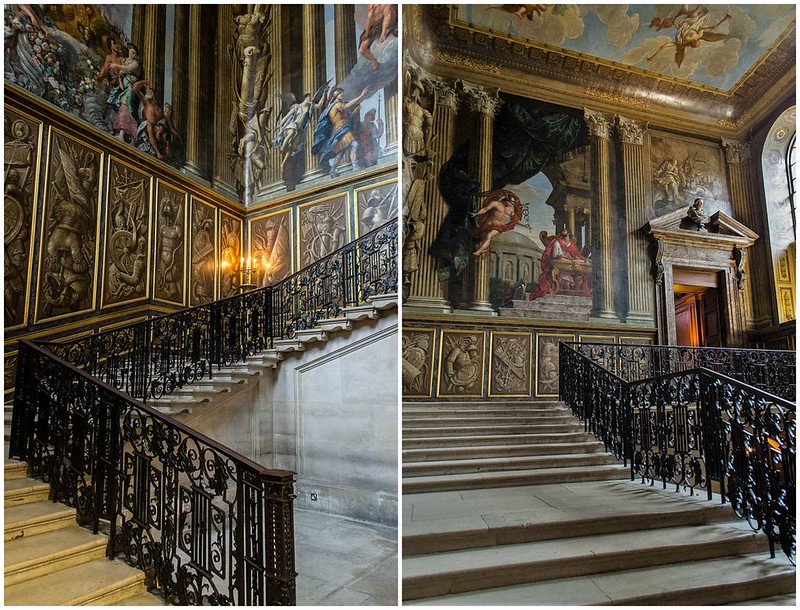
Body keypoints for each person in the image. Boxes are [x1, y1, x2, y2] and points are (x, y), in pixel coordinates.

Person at [311, 86, 370, 177]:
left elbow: (346, 118)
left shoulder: (337, 105)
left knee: (341, 151)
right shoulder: (336, 105)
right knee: (354, 144)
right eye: (340, 93)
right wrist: (361, 95)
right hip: (341, 128)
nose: (342, 94)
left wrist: (354, 112)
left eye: (342, 93)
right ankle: (355, 166)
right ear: (336, 95)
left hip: (342, 128)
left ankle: (333, 170)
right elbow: (348, 104)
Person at [528, 228, 588, 300]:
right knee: (566, 281)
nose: (563, 231)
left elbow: (576, 254)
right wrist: (566, 257)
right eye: (562, 231)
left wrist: (578, 258)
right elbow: (555, 255)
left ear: (568, 233)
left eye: (565, 230)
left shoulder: (572, 244)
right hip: (561, 267)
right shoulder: (557, 242)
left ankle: (577, 296)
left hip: (571, 266)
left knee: (580, 277)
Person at [469, 189, 527, 256]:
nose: (511, 205)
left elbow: (515, 219)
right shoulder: (495, 203)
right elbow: (485, 209)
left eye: (512, 204)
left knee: (489, 235)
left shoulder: (510, 208)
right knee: (483, 236)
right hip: (489, 224)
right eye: (510, 203)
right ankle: (484, 249)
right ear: (505, 200)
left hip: (499, 226)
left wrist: (525, 225)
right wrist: (476, 214)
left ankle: (479, 251)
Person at [106, 44, 143, 142]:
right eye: (132, 51)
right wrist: (121, 81)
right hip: (123, 88)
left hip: (130, 90)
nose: (133, 54)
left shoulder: (136, 64)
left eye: (135, 53)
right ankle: (130, 139)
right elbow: (121, 75)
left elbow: (126, 69)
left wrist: (116, 65)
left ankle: (122, 134)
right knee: (120, 108)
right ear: (129, 50)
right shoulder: (124, 61)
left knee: (125, 110)